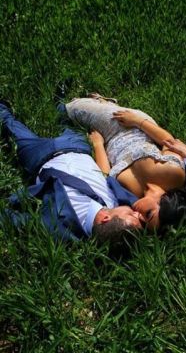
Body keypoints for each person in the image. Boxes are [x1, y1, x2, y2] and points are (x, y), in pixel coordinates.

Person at [0, 100, 145, 250]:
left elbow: (9, 218)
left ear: (105, 218)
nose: (137, 214)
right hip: (77, 146)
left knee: (10, 126)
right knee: (65, 117)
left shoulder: (59, 229)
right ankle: (59, 99)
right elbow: (150, 205)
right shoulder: (118, 202)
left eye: (131, 215)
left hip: (40, 156)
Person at [63, 96, 186, 231]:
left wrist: (98, 144)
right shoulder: (172, 175)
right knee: (69, 109)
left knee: (81, 115)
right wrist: (137, 121)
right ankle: (105, 104)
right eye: (148, 214)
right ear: (164, 201)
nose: (138, 216)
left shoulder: (127, 198)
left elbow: (104, 176)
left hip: (107, 140)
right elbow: (167, 141)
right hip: (130, 126)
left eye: (143, 223)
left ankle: (106, 103)